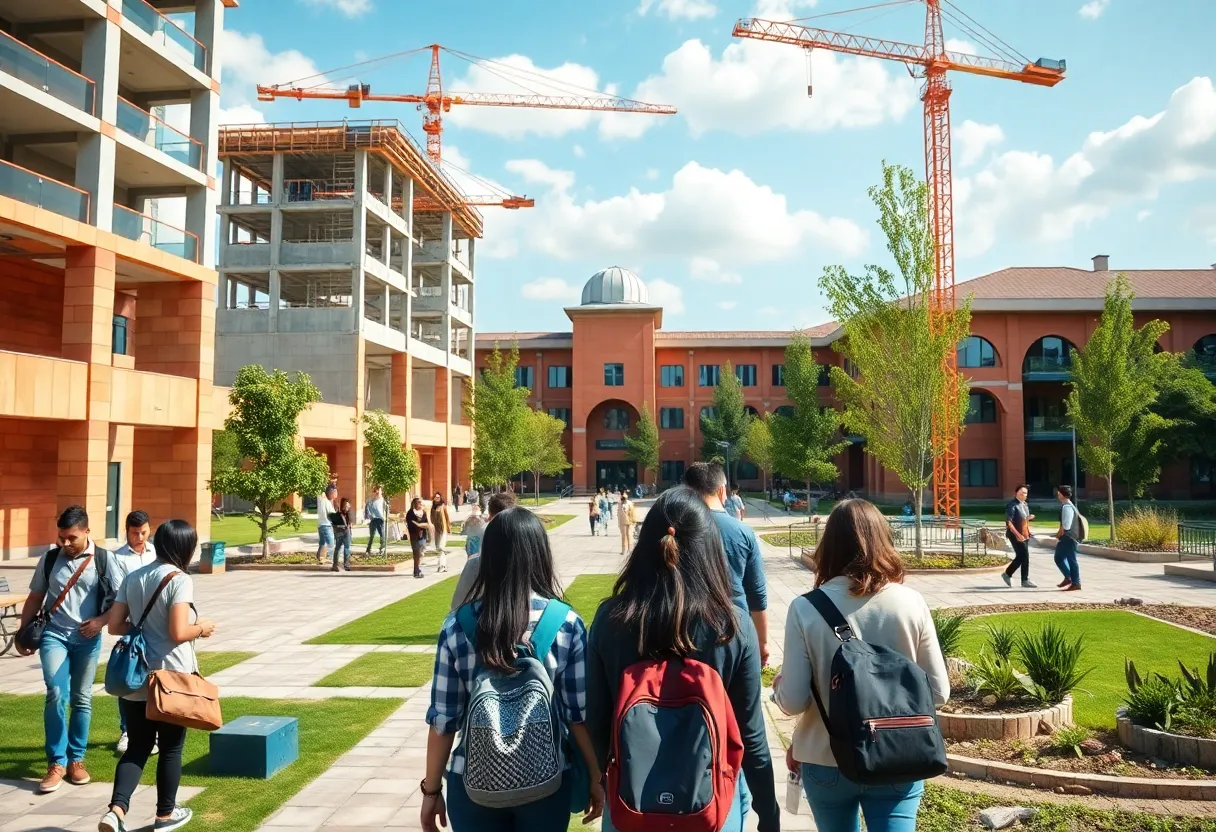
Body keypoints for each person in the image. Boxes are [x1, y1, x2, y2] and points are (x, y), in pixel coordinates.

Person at [586, 486, 779, 832]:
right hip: (709, 801)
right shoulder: (731, 625)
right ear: (709, 549)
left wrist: (608, 774)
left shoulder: (611, 619)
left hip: (631, 801)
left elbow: (597, 721)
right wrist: (769, 810)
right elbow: (751, 735)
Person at [423, 507, 604, 832]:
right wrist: (594, 776)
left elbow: (443, 720)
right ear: (540, 554)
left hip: (474, 784)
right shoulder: (566, 623)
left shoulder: (457, 626)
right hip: (546, 781)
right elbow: (578, 716)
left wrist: (431, 790)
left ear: (488, 556)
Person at [774, 498, 949, 832]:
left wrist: (779, 686)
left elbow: (794, 700)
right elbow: (938, 692)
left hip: (826, 756)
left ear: (830, 544)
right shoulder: (911, 602)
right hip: (898, 753)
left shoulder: (805, 609)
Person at [98, 519, 217, 832]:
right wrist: (201, 628)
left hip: (136, 677)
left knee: (138, 745)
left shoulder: (134, 576)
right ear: (184, 547)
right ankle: (165, 815)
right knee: (171, 748)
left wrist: (143, 630)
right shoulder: (179, 579)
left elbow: (115, 626)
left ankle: (116, 811)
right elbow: (178, 631)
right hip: (170, 678)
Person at [16, 505, 121, 794]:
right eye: (61, 537)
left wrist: (100, 622)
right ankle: (56, 763)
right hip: (54, 636)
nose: (65, 543)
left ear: (87, 531)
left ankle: (77, 759)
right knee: (56, 693)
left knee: (82, 698)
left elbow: (121, 603)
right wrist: (21, 634)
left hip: (88, 640)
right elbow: (35, 597)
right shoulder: (50, 559)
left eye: (71, 538)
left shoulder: (105, 560)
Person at [685, 462, 771, 666]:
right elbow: (757, 593)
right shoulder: (742, 532)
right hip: (735, 630)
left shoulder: (676, 529)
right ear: (722, 489)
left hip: (686, 633)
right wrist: (762, 642)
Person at [113, 510, 157, 755]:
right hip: (131, 625)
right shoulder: (118, 558)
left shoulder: (156, 553)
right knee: (129, 677)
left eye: (143, 532)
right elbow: (122, 593)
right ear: (126, 531)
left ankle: (154, 729)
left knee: (154, 677)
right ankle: (127, 731)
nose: (139, 537)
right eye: (134, 533)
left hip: (155, 624)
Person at [449, 491, 517, 611]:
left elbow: (457, 607)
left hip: (483, 610)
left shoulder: (482, 531)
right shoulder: (521, 535)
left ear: (490, 511)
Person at [1002, 484, 1037, 588]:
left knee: (1024, 556)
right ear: (1016, 493)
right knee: (1023, 555)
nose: (1023, 494)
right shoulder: (1012, 505)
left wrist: (1028, 521)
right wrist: (1017, 534)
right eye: (1021, 492)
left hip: (1024, 534)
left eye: (1025, 493)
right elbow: (1009, 522)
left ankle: (1024, 580)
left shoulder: (1025, 505)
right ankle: (1008, 574)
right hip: (1014, 534)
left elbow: (1023, 519)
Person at [1054, 485, 1082, 592]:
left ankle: (1076, 582)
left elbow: (1066, 525)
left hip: (1069, 537)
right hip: (1068, 537)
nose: (1057, 494)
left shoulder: (1067, 507)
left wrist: (1060, 533)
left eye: (1058, 493)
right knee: (1059, 558)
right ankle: (1068, 577)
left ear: (1060, 494)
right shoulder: (1070, 505)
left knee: (1071, 559)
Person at [407, 497, 430, 579]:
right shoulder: (410, 513)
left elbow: (427, 523)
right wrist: (418, 526)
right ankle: (416, 570)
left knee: (421, 552)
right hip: (414, 536)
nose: (420, 504)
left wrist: (421, 525)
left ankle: (417, 569)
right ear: (414, 504)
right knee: (416, 552)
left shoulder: (423, 512)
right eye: (418, 502)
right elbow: (410, 524)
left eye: (420, 502)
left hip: (423, 535)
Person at [331, 497, 355, 572]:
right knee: (338, 548)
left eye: (349, 506)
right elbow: (334, 525)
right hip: (340, 533)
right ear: (343, 505)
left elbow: (350, 524)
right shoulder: (338, 514)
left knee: (347, 548)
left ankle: (346, 565)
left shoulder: (348, 514)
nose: (348, 507)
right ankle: (335, 565)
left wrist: (350, 525)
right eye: (347, 506)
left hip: (347, 533)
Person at [315, 485, 337, 565]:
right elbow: (332, 515)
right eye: (335, 492)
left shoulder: (322, 500)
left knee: (322, 542)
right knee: (331, 543)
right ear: (331, 493)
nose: (336, 494)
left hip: (321, 525)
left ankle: (320, 557)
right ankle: (332, 559)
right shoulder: (326, 502)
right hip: (326, 525)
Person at [431, 492, 452, 573]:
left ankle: (442, 565)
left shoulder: (443, 506)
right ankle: (442, 565)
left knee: (441, 547)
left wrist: (448, 527)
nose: (437, 498)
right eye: (435, 497)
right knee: (438, 548)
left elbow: (447, 518)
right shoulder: (433, 508)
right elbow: (431, 519)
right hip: (436, 530)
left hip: (443, 529)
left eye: (438, 497)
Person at [364, 486, 387, 557]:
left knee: (382, 535)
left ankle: (382, 549)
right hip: (373, 520)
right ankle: (368, 550)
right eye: (375, 491)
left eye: (378, 491)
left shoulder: (383, 501)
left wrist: (385, 517)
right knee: (371, 536)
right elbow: (367, 508)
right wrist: (369, 517)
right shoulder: (371, 501)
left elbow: (386, 510)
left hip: (381, 520)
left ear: (381, 492)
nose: (377, 492)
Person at [616, 492, 637, 556]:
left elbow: (633, 512)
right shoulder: (620, 503)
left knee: (629, 535)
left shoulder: (629, 503)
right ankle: (624, 550)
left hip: (628, 521)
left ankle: (629, 549)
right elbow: (618, 513)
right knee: (623, 536)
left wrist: (633, 520)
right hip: (622, 521)